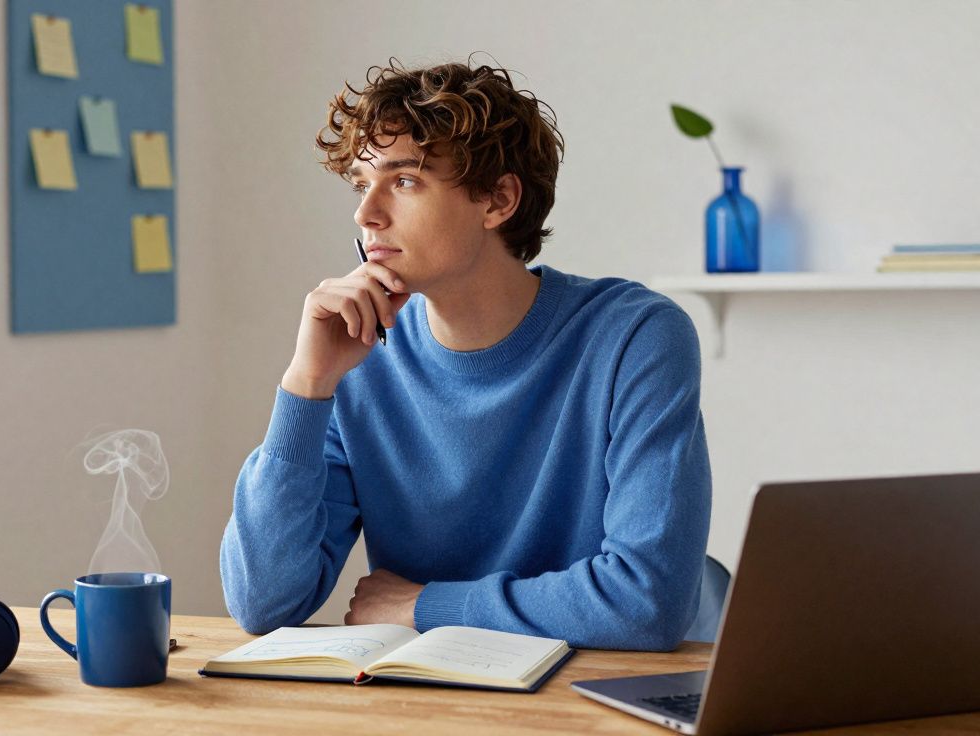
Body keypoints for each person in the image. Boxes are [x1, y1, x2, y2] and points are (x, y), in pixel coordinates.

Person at [219, 58, 711, 650]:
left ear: (498, 200)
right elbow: (262, 602)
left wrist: (427, 604)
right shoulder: (356, 354)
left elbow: (646, 602)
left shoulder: (635, 338)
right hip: (436, 696)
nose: (365, 213)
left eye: (404, 181)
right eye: (361, 183)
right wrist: (306, 385)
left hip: (593, 696)